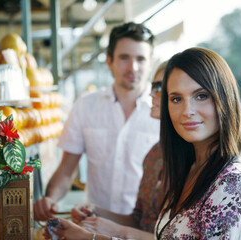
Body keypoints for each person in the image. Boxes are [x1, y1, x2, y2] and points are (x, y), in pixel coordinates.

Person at [34, 22, 160, 221]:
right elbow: (67, 170)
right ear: (109, 61)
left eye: (141, 59)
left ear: (151, 63)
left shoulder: (166, 112)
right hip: (94, 223)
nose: (133, 67)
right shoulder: (86, 106)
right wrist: (50, 199)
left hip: (144, 228)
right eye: (124, 58)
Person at [44, 62, 167, 240]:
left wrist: (100, 233)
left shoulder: (192, 160)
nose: (151, 93)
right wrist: (96, 212)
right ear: (110, 61)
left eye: (160, 87)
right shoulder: (154, 154)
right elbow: (139, 220)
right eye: (154, 86)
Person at [155, 47, 241, 239]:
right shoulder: (190, 168)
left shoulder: (233, 183)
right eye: (176, 99)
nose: (187, 110)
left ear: (224, 98)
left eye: (201, 96)